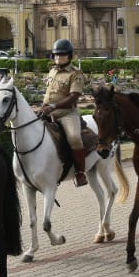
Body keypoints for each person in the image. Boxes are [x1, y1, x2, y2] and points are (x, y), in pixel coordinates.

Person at [41, 39, 89, 186]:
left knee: (74, 138)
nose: (58, 58)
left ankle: (80, 173)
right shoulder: (52, 70)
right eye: (55, 55)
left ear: (69, 56)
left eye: (61, 55)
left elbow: (74, 97)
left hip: (67, 113)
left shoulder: (76, 74)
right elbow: (49, 93)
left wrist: (54, 106)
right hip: (48, 111)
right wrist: (44, 107)